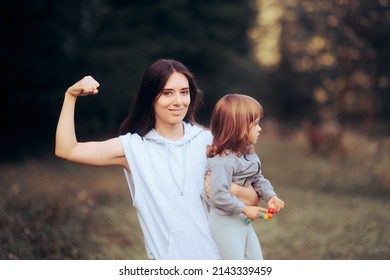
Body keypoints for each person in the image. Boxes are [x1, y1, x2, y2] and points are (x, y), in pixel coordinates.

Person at [55, 58, 259, 260]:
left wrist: (232, 190)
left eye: (184, 92)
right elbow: (67, 149)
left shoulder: (211, 143)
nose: (178, 101)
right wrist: (70, 96)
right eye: (167, 93)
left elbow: (254, 198)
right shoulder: (133, 148)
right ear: (150, 97)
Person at [205, 94, 285, 260]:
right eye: (255, 124)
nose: (260, 128)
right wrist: (245, 208)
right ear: (237, 127)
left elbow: (258, 179)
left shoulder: (248, 154)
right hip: (225, 220)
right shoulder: (223, 160)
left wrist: (272, 196)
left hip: (241, 217)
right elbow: (218, 195)